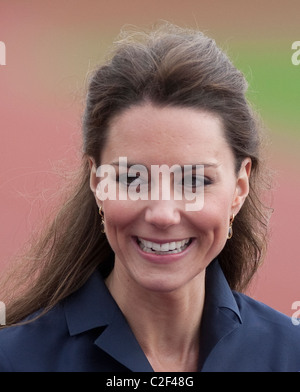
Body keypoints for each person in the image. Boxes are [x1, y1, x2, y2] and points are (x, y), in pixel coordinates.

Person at [0, 22, 299, 373]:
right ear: (97, 184)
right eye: (132, 178)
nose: (163, 213)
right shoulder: (13, 359)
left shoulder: (290, 355)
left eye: (194, 181)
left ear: (238, 189)